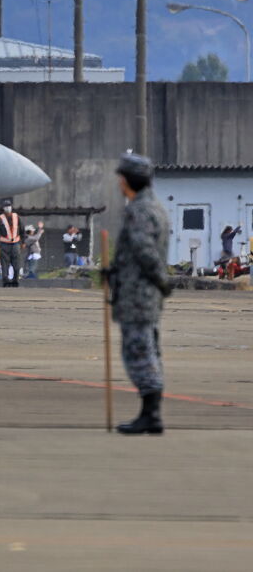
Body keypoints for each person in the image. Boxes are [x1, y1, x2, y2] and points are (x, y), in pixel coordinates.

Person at [105, 152, 171, 435]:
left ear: (128, 180)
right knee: (147, 349)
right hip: (143, 294)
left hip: (138, 296)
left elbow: (145, 251)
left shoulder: (139, 211)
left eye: (121, 177)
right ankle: (149, 413)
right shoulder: (153, 207)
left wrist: (160, 280)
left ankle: (151, 414)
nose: (119, 183)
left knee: (139, 352)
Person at [0, 198, 23, 286]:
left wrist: (23, 242)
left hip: (15, 243)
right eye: (6, 206)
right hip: (4, 244)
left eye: (9, 206)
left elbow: (22, 230)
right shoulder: (0, 218)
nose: (8, 208)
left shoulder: (17, 217)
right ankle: (5, 281)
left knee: (16, 264)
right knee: (4, 264)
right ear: (3, 208)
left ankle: (15, 280)